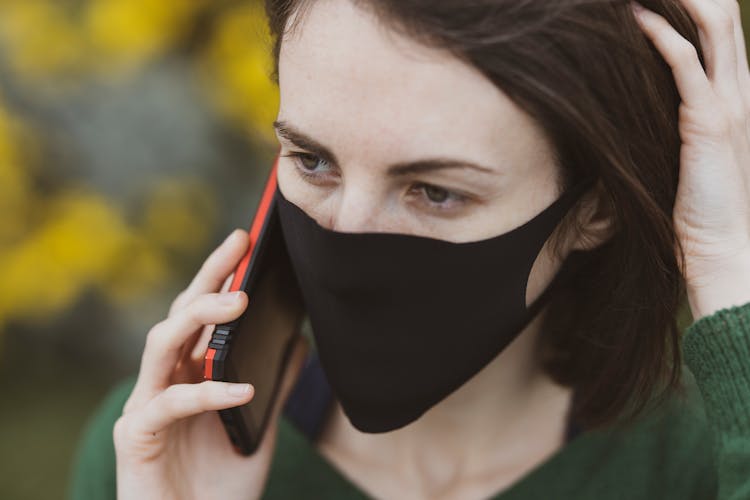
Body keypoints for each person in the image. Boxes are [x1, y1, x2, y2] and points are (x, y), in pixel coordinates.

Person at [69, 0, 750, 498]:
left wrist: (727, 268)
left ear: (595, 207)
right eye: (311, 159)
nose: (346, 231)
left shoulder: (697, 461)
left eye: (434, 190)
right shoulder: (157, 446)